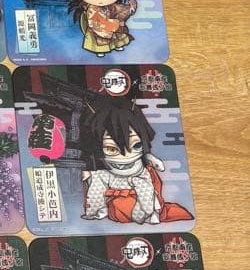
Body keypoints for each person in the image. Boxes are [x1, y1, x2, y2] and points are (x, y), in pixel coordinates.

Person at [81, 96, 194, 225]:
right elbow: (96, 186)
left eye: (136, 145)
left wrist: (148, 157)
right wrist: (89, 174)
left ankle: (149, 214)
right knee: (97, 180)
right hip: (114, 193)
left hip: (138, 178)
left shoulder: (142, 169)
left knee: (144, 189)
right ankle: (98, 211)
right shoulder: (102, 173)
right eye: (111, 149)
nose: (126, 156)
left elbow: (149, 183)